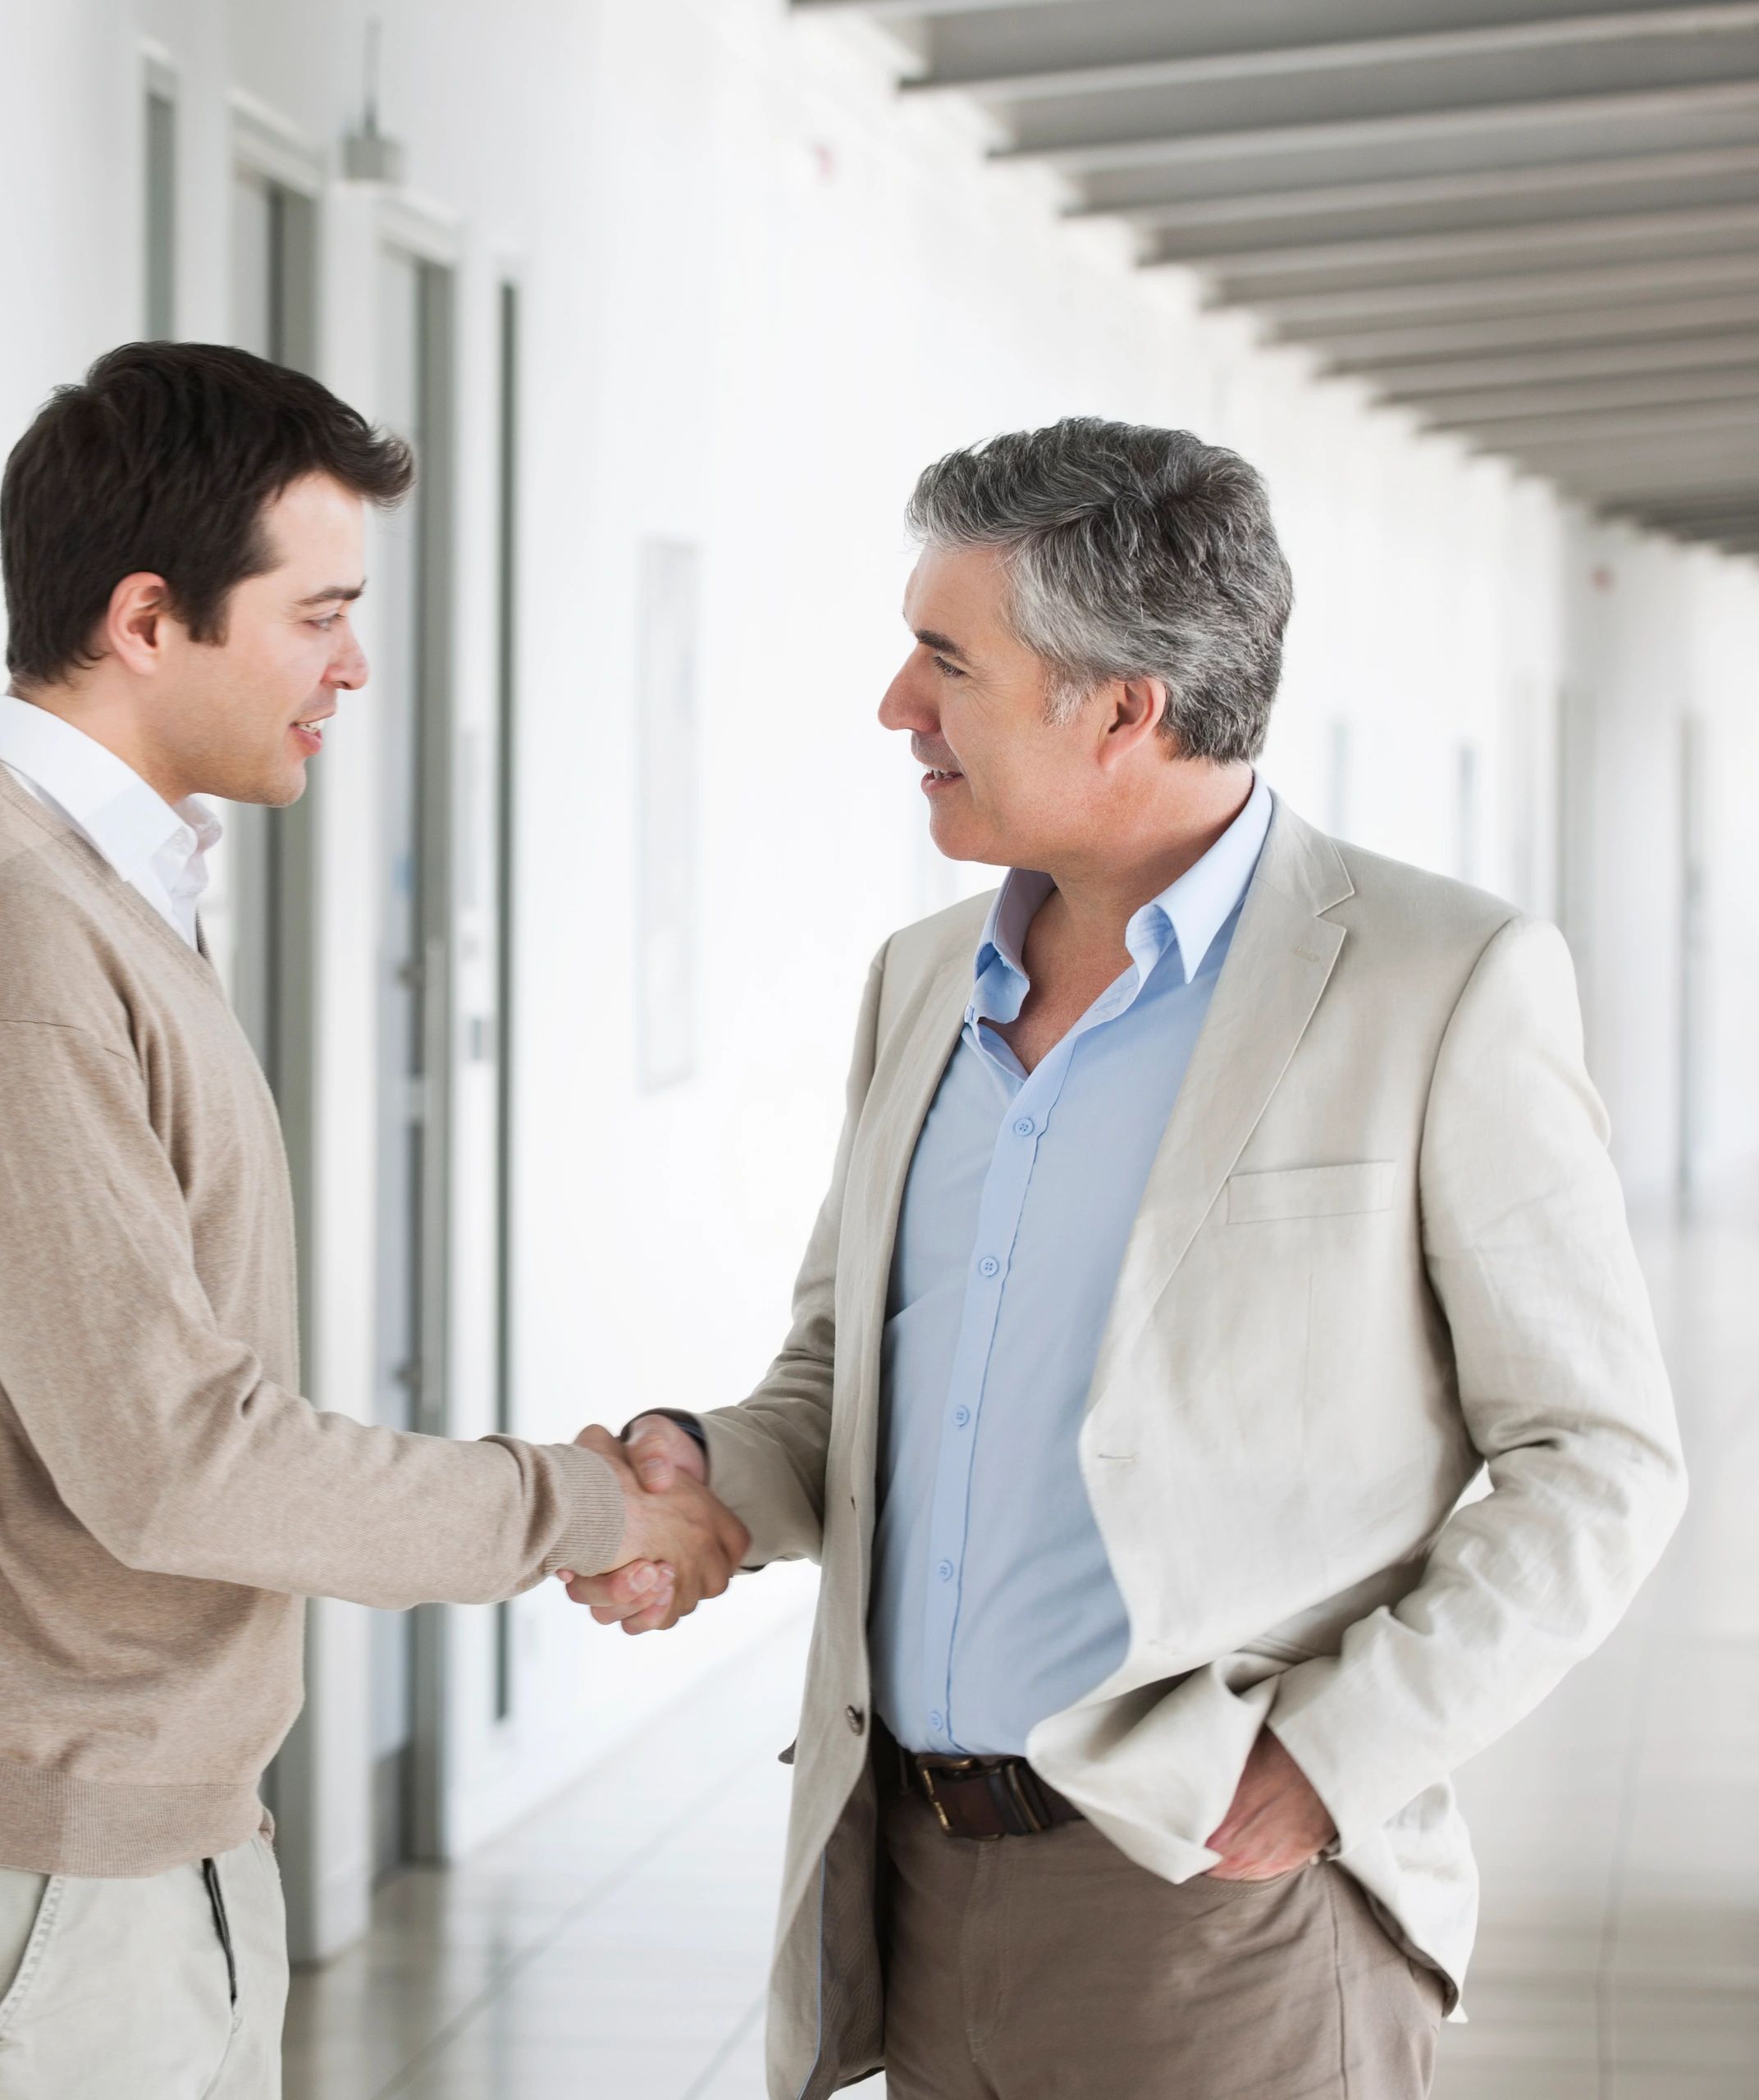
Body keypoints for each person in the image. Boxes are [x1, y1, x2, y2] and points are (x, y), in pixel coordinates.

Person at [564, 418, 1687, 2099]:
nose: (896, 706)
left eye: (946, 660)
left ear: (1119, 706)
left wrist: (1331, 1758)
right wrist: (704, 1470)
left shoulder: (1437, 979)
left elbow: (1597, 1457)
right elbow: (845, 1374)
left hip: (1220, 1911)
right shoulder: (921, 979)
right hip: (910, 1881)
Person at [0, 340, 746, 2100]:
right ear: (148, 620)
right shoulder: (6, 948)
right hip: (37, 1892)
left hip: (120, 1858)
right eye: (319, 616)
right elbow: (179, 1461)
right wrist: (591, 1503)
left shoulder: (86, 898)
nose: (352, 666)